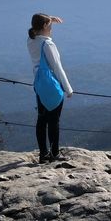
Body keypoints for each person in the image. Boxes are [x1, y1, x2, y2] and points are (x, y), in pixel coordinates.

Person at [28, 13, 73, 163]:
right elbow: (57, 68)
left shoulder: (31, 40)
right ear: (45, 27)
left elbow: (34, 29)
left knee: (42, 119)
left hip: (39, 85)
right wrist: (68, 88)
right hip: (52, 86)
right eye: (50, 26)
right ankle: (54, 154)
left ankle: (43, 154)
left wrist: (48, 19)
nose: (52, 29)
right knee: (54, 121)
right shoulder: (48, 44)